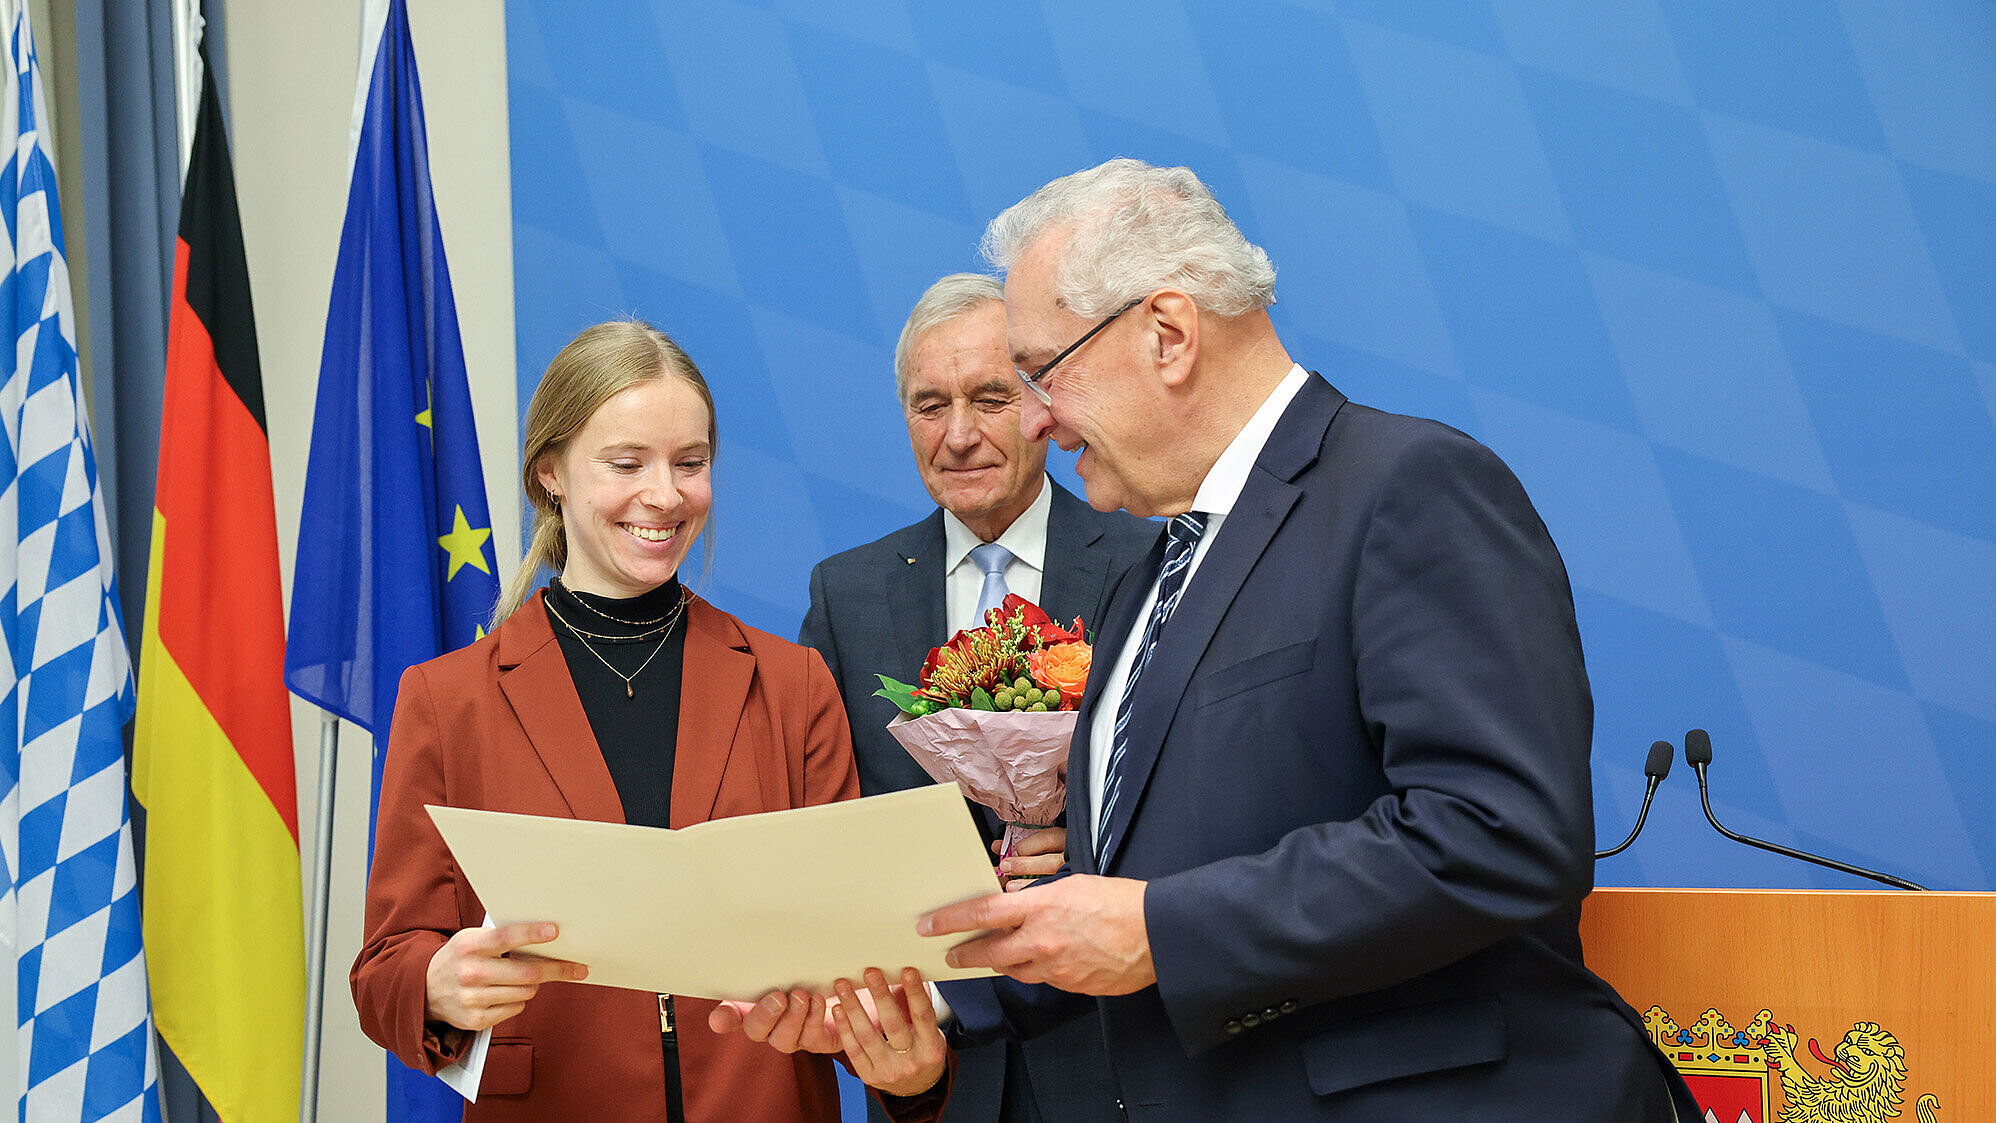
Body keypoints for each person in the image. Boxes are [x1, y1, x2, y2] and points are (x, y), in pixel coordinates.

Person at [904, 160, 1704, 1120]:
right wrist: (927, 1002)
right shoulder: (1148, 577)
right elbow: (1119, 903)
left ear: (1168, 334)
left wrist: (1161, 930)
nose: (1035, 417)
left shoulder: (1409, 488)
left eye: (1043, 372)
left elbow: (1498, 832)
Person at [350, 320, 950, 1123]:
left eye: (690, 463)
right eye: (627, 463)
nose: (665, 494)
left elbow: (851, 967)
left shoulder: (793, 684)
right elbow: (385, 966)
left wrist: (909, 1072)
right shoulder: (446, 699)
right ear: (550, 473)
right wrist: (436, 985)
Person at [799, 275, 1152, 1123]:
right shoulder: (847, 593)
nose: (958, 435)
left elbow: (1200, 795)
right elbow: (825, 824)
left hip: (1116, 1059)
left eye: (991, 398)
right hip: (933, 1069)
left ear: (1044, 402)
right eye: (930, 406)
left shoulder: (1147, 562)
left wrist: (1091, 845)